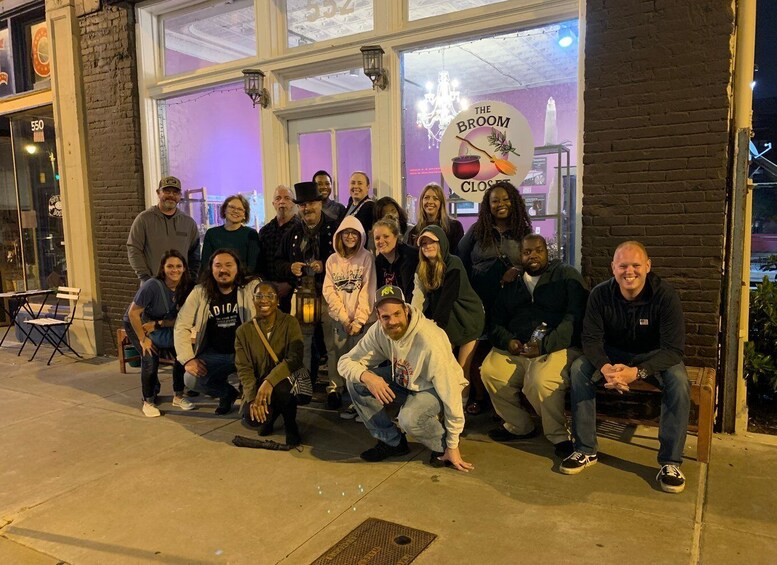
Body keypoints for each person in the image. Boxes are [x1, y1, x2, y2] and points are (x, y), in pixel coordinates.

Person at [561, 241, 690, 494]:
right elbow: (591, 340)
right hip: (613, 354)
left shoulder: (665, 295)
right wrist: (606, 367)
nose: (629, 271)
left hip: (653, 356)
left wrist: (638, 372)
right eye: (622, 266)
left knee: (679, 381)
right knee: (579, 369)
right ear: (613, 268)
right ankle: (585, 450)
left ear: (648, 266)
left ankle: (670, 462)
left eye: (636, 265)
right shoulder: (600, 294)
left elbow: (674, 350)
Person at [339, 285, 474, 471]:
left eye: (397, 314)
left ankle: (442, 446)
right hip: (405, 380)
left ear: (406, 310)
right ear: (378, 316)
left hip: (434, 387)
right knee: (356, 382)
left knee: (409, 418)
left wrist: (453, 443)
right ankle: (392, 442)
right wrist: (367, 376)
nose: (393, 322)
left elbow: (451, 392)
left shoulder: (430, 339)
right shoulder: (378, 331)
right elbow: (345, 362)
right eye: (386, 317)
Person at [481, 234, 588, 459]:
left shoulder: (565, 275)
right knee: (490, 371)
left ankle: (559, 435)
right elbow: (496, 322)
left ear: (548, 252)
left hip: (557, 346)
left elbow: (574, 318)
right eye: (527, 252)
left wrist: (545, 345)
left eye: (539, 250)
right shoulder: (513, 283)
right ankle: (519, 425)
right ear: (520, 256)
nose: (533, 256)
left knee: (539, 381)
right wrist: (508, 341)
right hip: (519, 349)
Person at [458, 181, 533, 415]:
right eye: (495, 201)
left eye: (505, 199)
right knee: (476, 353)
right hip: (479, 301)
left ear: (514, 201)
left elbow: (534, 262)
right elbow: (459, 260)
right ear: (487, 205)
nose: (500, 204)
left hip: (511, 303)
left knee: (505, 349)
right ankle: (479, 397)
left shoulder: (523, 232)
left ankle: (508, 402)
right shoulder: (477, 231)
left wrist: (518, 269)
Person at [174, 249, 260, 415]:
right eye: (218, 265)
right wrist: (188, 359)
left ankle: (248, 396)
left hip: (245, 354)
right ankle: (227, 394)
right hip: (215, 354)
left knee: (249, 415)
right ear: (211, 269)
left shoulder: (251, 288)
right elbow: (181, 325)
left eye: (228, 265)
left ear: (237, 267)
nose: (223, 270)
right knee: (191, 379)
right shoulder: (200, 292)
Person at [275, 181, 338, 398]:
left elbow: (349, 258)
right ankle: (304, 387)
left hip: (330, 295)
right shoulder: (292, 232)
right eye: (302, 205)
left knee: (332, 344)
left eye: (311, 203)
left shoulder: (335, 228)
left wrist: (326, 264)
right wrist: (290, 268)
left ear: (320, 204)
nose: (307, 208)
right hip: (303, 295)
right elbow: (278, 263)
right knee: (303, 343)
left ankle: (335, 387)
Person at [413, 225, 484, 399]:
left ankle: (461, 406)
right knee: (441, 367)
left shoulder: (453, 263)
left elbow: (447, 298)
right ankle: (442, 404)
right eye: (423, 244)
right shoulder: (422, 268)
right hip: (448, 323)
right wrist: (413, 322)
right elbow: (418, 297)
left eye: (432, 242)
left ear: (441, 243)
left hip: (467, 319)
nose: (427, 246)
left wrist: (434, 330)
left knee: (461, 368)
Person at [123, 250, 196, 417]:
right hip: (138, 323)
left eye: (178, 266)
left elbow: (183, 318)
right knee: (150, 357)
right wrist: (142, 339)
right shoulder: (152, 286)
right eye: (170, 266)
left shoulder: (187, 287)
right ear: (163, 268)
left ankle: (178, 396)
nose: (174, 270)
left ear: (184, 268)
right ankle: (148, 400)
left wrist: (158, 324)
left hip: (160, 324)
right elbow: (133, 314)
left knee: (182, 354)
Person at [235, 282, 304, 446]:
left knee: (282, 389)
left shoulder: (290, 323)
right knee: (252, 418)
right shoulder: (243, 331)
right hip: (259, 385)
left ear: (277, 301)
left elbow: (295, 358)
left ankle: (290, 424)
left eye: (270, 296)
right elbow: (244, 368)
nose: (264, 300)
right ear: (253, 300)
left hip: (286, 381)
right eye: (259, 296)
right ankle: (271, 416)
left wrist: (270, 381)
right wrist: (252, 398)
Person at [322, 216, 377, 416]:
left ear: (361, 235)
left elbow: (368, 290)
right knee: (336, 353)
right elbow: (329, 291)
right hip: (339, 319)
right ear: (339, 235)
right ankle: (335, 389)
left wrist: (359, 320)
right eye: (346, 232)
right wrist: (344, 318)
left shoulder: (367, 257)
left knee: (359, 358)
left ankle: (359, 396)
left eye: (354, 233)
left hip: (362, 321)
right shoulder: (332, 260)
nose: (350, 236)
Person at [127, 175, 201, 282]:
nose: (171, 195)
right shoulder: (144, 219)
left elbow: (195, 256)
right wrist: (146, 278)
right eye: (167, 191)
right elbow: (134, 250)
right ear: (158, 193)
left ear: (180, 195)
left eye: (175, 192)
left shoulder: (189, 223)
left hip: (181, 286)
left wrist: (191, 280)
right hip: (153, 284)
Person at [257, 185, 300, 313]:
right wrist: (267, 285)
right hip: (268, 292)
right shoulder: (265, 231)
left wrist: (290, 284)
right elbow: (260, 262)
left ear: (293, 203)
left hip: (294, 291)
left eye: (287, 198)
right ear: (273, 204)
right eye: (278, 198)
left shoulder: (301, 229)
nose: (282, 201)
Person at [200, 195, 260, 275]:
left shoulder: (251, 234)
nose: (235, 211)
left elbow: (252, 266)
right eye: (232, 207)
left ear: (244, 215)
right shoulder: (211, 233)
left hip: (243, 279)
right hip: (216, 279)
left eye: (240, 209)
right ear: (224, 210)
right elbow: (206, 264)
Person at [407, 182, 464, 254]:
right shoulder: (414, 232)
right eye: (426, 198)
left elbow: (459, 255)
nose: (430, 201)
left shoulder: (455, 227)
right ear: (422, 201)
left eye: (435, 198)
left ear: (441, 203)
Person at [373, 218, 418, 302]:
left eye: (386, 236)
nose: (381, 241)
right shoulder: (378, 261)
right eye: (377, 238)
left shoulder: (411, 257)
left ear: (396, 236)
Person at [344, 171, 375, 235]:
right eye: (353, 183)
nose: (356, 186)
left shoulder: (370, 207)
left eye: (360, 183)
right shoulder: (350, 204)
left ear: (368, 187)